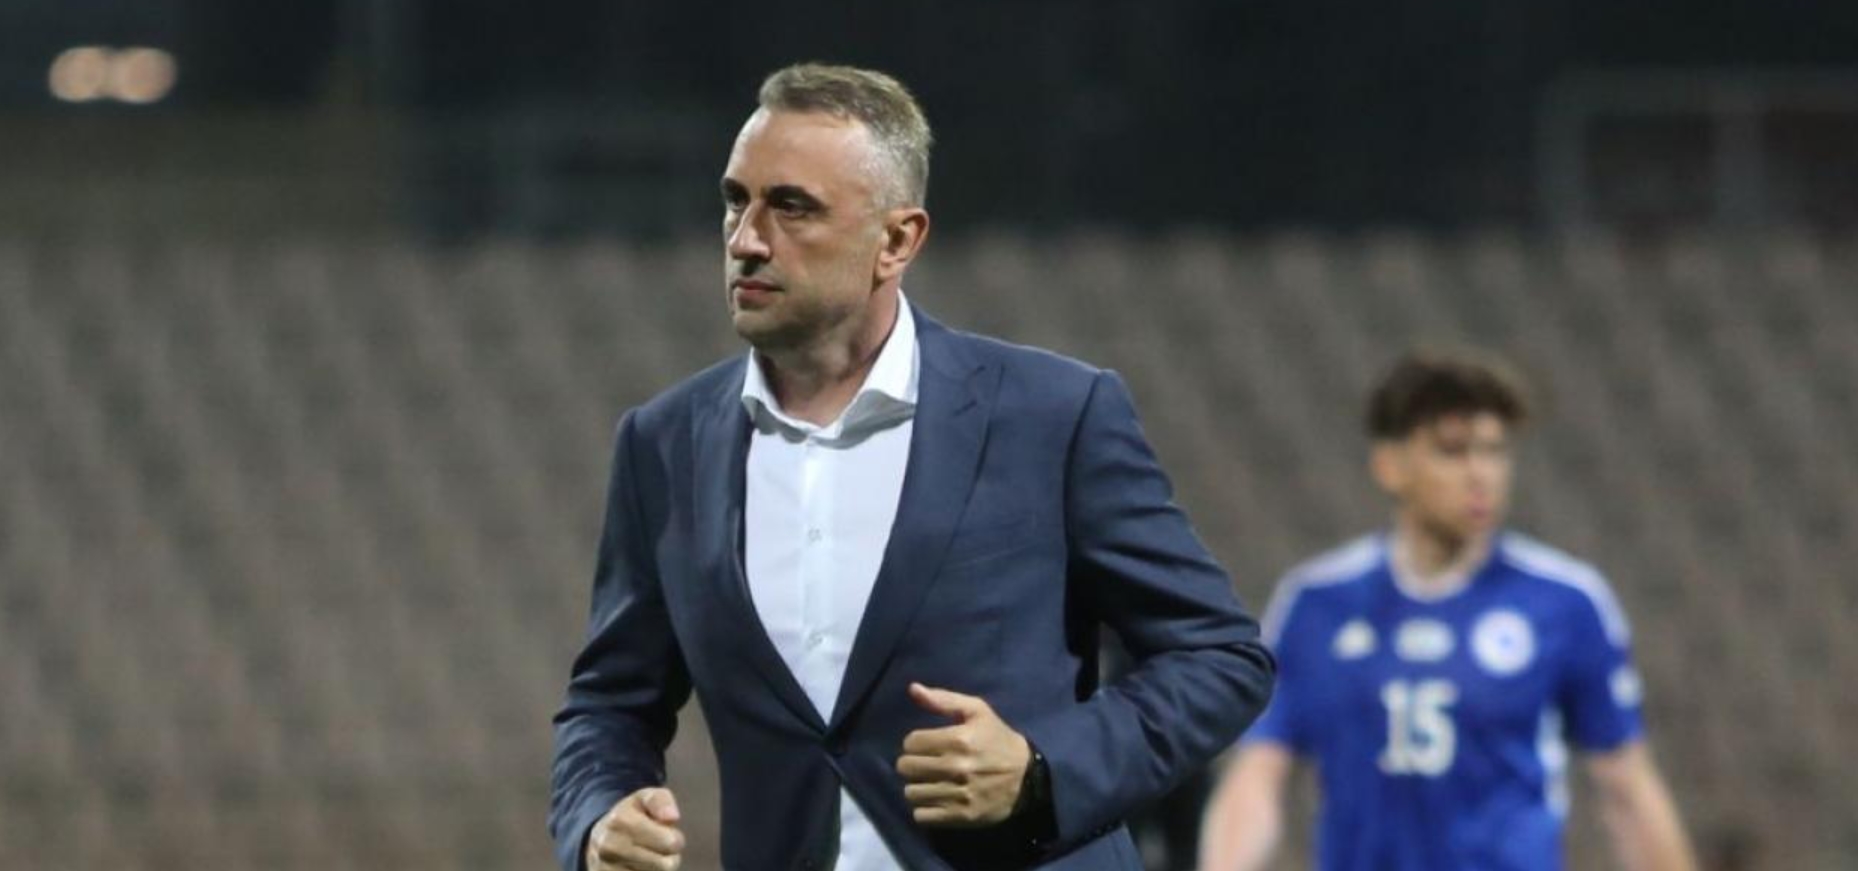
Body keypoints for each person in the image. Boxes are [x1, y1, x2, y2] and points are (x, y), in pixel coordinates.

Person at [549, 63, 1275, 871]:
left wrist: (1042, 770)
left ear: (897, 240)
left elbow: (1220, 657)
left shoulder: (1051, 415)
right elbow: (609, 703)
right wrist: (598, 816)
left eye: (792, 206)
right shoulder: (663, 444)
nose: (747, 239)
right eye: (735, 200)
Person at [1199, 349, 1697, 871]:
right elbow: (1257, 777)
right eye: (1452, 451)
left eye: (1494, 451)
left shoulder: (1566, 601)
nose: (1481, 474)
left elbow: (1626, 789)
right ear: (1390, 466)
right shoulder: (1317, 604)